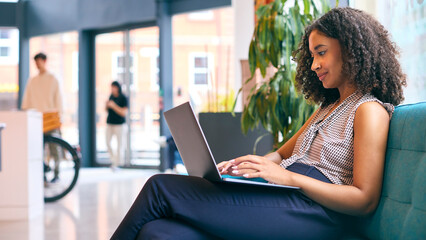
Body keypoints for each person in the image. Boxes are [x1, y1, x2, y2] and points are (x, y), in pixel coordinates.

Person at [111, 7, 406, 239]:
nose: (314, 65)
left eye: (322, 53)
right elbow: (281, 155)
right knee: (159, 233)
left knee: (160, 187)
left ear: (351, 50)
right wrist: (248, 166)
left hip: (315, 213)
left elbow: (364, 199)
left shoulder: (368, 109)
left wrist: (290, 179)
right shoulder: (327, 107)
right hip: (284, 197)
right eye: (312, 55)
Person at [22, 52, 63, 183]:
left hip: (51, 118)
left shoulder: (53, 79)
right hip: (36, 119)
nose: (37, 64)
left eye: (39, 61)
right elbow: (26, 102)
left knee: (54, 148)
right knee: (38, 149)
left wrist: (59, 118)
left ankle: (57, 174)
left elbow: (59, 100)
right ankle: (42, 174)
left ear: (45, 61)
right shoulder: (32, 81)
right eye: (35, 62)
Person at [106, 81, 128, 171]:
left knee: (120, 145)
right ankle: (113, 161)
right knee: (108, 142)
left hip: (120, 125)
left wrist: (113, 105)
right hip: (110, 123)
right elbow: (107, 109)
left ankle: (118, 164)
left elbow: (123, 113)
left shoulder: (123, 98)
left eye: (113, 87)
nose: (112, 89)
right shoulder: (111, 96)